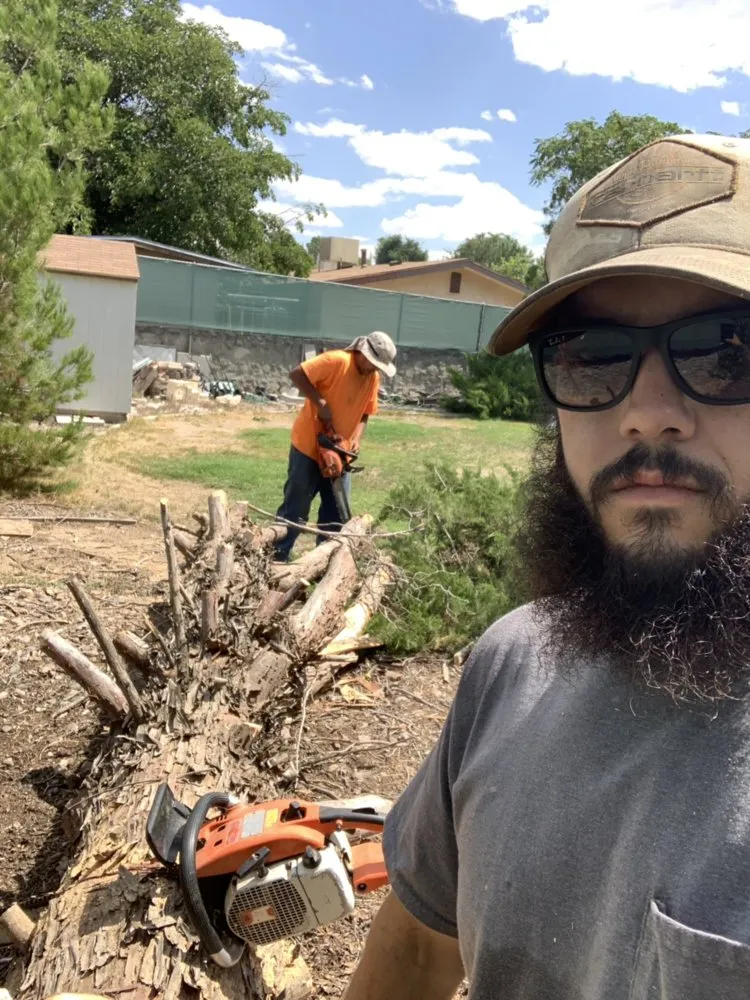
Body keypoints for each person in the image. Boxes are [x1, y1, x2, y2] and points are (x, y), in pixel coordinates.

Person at [343, 134, 750, 1000]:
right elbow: (418, 954)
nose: (648, 414)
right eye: (593, 355)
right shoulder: (509, 664)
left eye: (729, 349)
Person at [273, 331, 397, 562]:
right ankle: (276, 558)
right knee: (295, 509)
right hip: (308, 448)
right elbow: (297, 374)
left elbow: (365, 413)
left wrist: (356, 439)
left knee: (336, 516)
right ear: (362, 352)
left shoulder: (372, 377)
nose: (374, 369)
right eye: (373, 363)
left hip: (340, 454)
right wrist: (319, 402)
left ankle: (323, 564)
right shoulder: (337, 361)